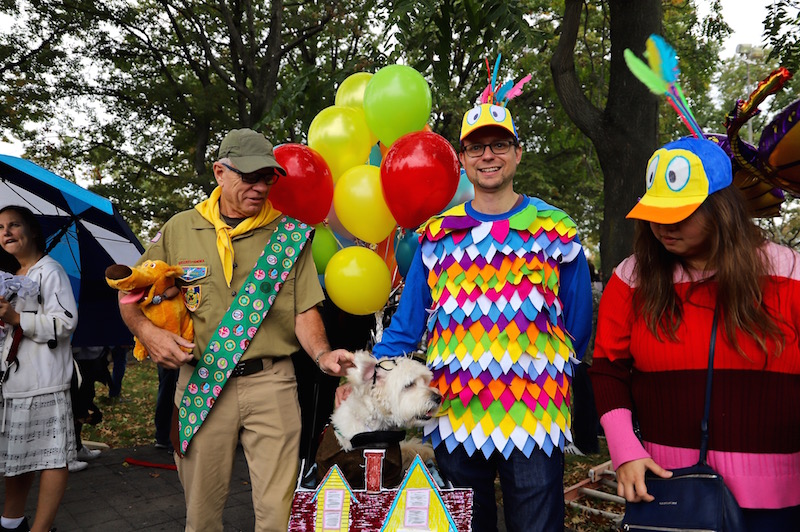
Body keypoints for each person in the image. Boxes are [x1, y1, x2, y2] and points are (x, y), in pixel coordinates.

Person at [363, 97, 593, 530]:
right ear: (463, 159)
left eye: (500, 144)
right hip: (455, 412)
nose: (489, 155)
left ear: (518, 152)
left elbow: (577, 328)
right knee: (467, 526)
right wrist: (364, 375)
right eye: (476, 146)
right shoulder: (437, 236)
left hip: (535, 415)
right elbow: (406, 328)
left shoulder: (556, 229)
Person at [118, 128, 354, 532]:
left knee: (278, 517)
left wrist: (321, 354)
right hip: (202, 381)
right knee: (201, 515)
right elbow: (130, 294)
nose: (260, 187)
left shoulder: (290, 235)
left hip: (272, 384)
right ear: (219, 173)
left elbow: (304, 311)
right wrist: (148, 333)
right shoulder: (179, 229)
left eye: (268, 178)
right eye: (249, 177)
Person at [589, 137, 800, 531]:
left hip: (780, 499)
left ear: (721, 208)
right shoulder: (629, 279)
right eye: (656, 213)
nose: (663, 227)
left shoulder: (789, 273)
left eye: (680, 213)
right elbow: (608, 369)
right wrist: (624, 449)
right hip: (668, 493)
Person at [0, 205, 79, 532]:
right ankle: (11, 521)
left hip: (44, 382)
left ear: (32, 231)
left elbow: (66, 321)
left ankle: (41, 529)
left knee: (50, 458)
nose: (6, 232)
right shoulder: (12, 276)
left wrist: (17, 318)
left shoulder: (50, 270)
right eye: (1, 227)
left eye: (14, 225)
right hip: (15, 383)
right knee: (17, 459)